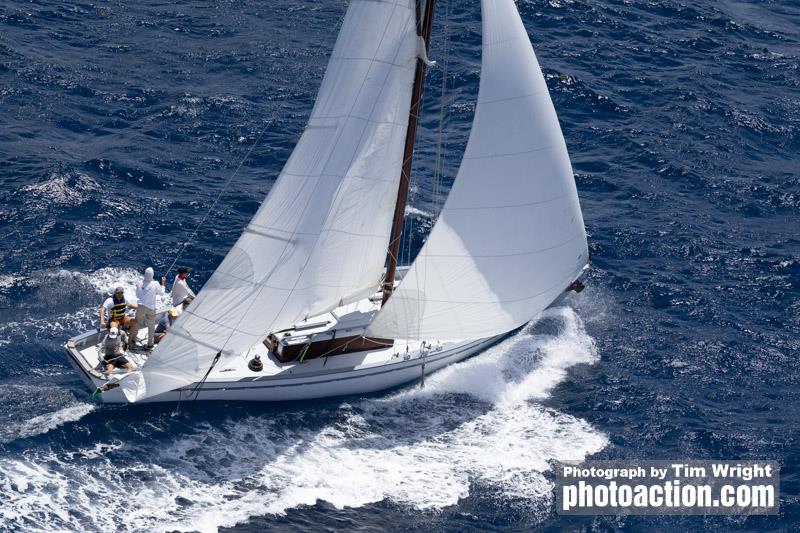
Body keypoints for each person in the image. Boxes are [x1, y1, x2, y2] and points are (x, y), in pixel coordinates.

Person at [129, 267, 166, 349]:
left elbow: (137, 295)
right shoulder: (156, 283)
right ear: (152, 275)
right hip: (151, 309)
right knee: (151, 327)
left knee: (136, 324)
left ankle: (133, 340)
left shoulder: (139, 283)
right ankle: (150, 344)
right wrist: (163, 284)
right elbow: (162, 293)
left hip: (140, 307)